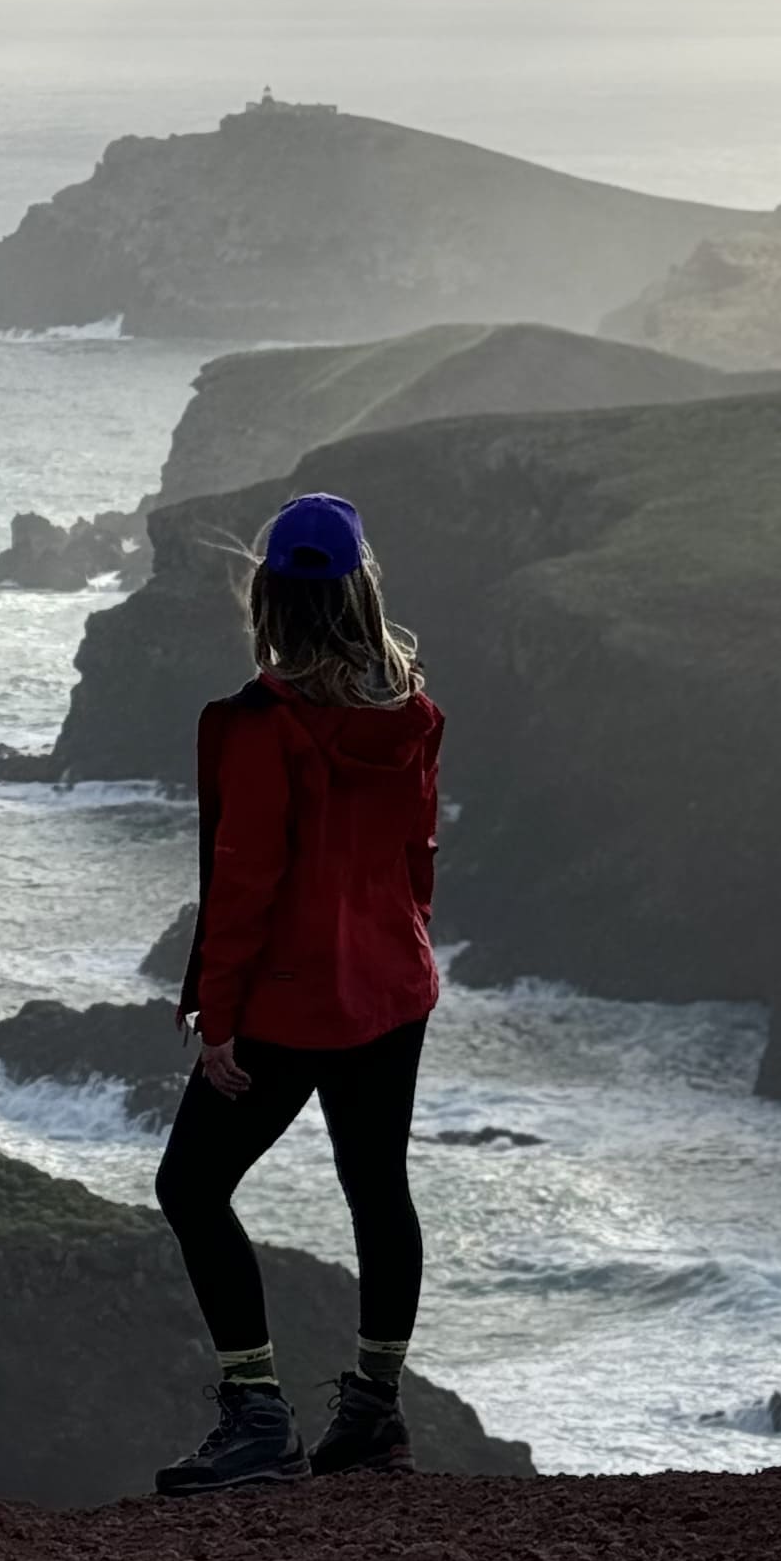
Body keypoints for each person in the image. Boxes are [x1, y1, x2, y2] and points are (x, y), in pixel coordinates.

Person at [150, 489, 441, 1492]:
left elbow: (245, 887)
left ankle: (258, 1415)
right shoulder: (412, 713)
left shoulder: (256, 726)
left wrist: (218, 1020)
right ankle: (373, 1414)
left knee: (189, 1188)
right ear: (362, 593)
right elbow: (418, 860)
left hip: (285, 1003)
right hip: (391, 989)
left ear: (267, 596)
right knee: (378, 1190)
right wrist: (399, 954)